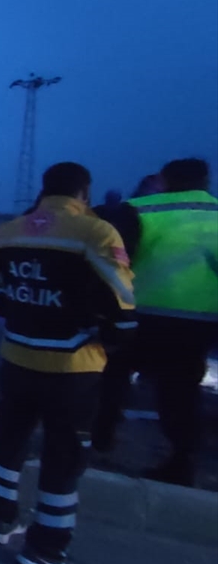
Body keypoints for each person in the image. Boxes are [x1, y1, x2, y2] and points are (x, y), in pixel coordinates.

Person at [0, 162, 136, 564]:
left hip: (19, 356)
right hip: (72, 365)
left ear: (45, 190)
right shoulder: (95, 232)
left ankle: (0, 521)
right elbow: (123, 304)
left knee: (9, 440)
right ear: (84, 192)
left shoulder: (14, 229)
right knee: (64, 457)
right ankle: (46, 550)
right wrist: (113, 340)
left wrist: (5, 303)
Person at [103, 158, 217, 486]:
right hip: (200, 321)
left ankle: (100, 438)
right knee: (180, 390)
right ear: (205, 180)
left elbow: (112, 262)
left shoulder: (139, 210)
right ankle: (182, 461)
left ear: (164, 179)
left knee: (113, 374)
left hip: (140, 313)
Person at [92, 189, 141, 257]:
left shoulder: (128, 214)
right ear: (106, 199)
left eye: (114, 199)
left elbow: (134, 233)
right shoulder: (96, 213)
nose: (112, 202)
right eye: (110, 199)